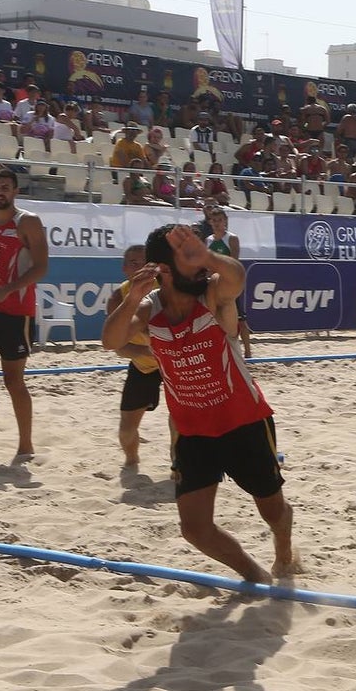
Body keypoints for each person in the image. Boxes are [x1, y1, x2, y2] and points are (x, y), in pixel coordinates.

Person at [102, 224, 299, 582]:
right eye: (187, 258)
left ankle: (283, 549)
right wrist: (132, 298)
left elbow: (236, 277)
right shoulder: (149, 308)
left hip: (244, 421)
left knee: (272, 511)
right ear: (164, 268)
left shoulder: (211, 293)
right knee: (194, 529)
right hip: (193, 432)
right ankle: (256, 575)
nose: (198, 265)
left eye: (197, 256)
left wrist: (207, 256)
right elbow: (110, 340)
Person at [0, 169, 49, 458]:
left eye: (5, 187)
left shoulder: (28, 222)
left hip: (14, 311)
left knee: (13, 381)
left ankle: (25, 444)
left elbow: (41, 267)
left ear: (15, 191)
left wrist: (9, 288)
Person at [105, 245, 176, 467]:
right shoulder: (118, 297)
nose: (141, 267)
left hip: (175, 362)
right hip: (144, 364)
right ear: (125, 268)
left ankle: (178, 462)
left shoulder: (167, 290)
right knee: (127, 429)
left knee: (181, 420)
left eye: (145, 262)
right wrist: (147, 350)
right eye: (134, 263)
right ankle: (132, 460)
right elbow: (117, 347)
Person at [204, 207, 252, 358]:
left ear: (225, 221)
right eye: (214, 220)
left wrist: (218, 270)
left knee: (240, 318)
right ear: (210, 222)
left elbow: (234, 262)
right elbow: (207, 263)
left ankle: (248, 352)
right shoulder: (208, 240)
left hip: (229, 282)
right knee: (214, 316)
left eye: (220, 220)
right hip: (213, 283)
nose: (217, 223)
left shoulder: (231, 238)